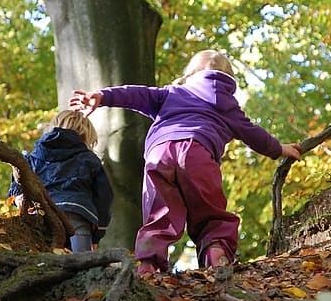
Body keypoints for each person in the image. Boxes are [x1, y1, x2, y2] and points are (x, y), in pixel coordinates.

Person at [69, 49, 301, 274]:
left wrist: (102, 96)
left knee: (158, 216)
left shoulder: (171, 93)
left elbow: (136, 94)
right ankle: (216, 255)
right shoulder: (227, 105)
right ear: (229, 79)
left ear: (188, 75)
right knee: (211, 214)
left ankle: (149, 265)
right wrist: (279, 148)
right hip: (198, 153)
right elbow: (253, 133)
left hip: (159, 154)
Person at [8, 110, 113, 252]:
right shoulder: (89, 159)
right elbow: (104, 197)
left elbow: (16, 187)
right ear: (84, 136)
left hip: (42, 213)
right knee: (83, 264)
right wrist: (97, 236)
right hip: (77, 213)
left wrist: (18, 200)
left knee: (43, 262)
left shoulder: (33, 158)